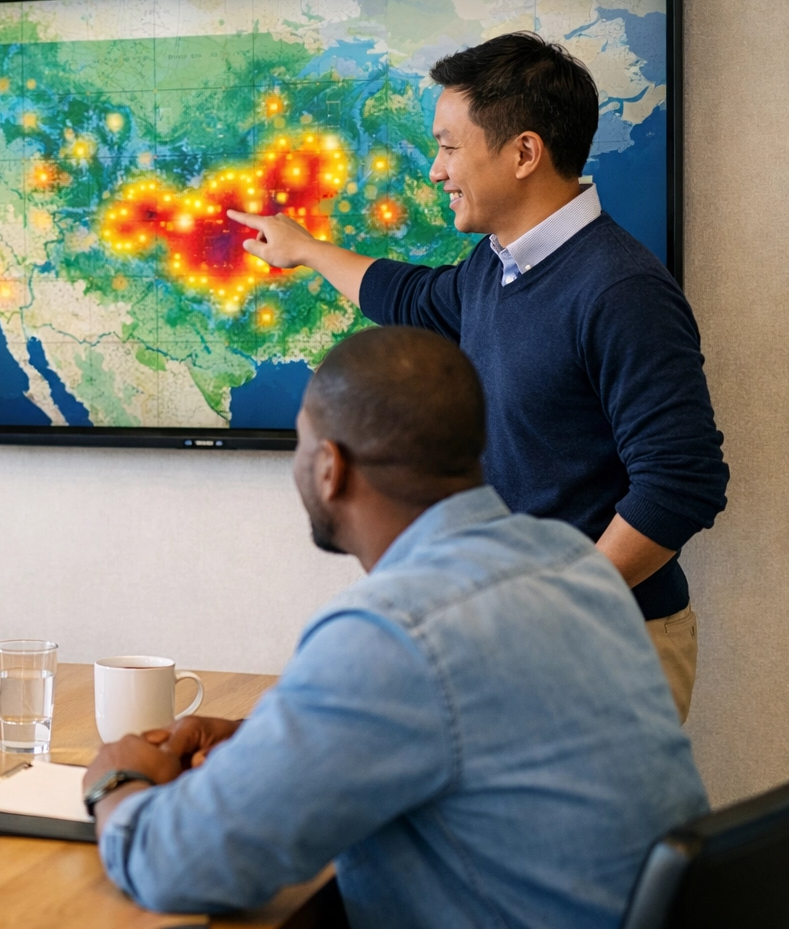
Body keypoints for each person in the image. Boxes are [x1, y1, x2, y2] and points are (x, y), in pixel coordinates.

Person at [83, 326, 709, 928]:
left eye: (302, 446)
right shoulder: (571, 562)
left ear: (330, 467)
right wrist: (270, 739)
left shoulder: (395, 631)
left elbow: (177, 864)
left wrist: (115, 778)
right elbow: (480, 730)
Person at [229, 32, 726, 721]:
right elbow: (410, 298)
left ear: (524, 152)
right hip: (514, 629)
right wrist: (306, 250)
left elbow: (683, 482)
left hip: (605, 638)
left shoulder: (621, 289)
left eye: (449, 146)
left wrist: (556, 603)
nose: (437, 170)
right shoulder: (495, 266)